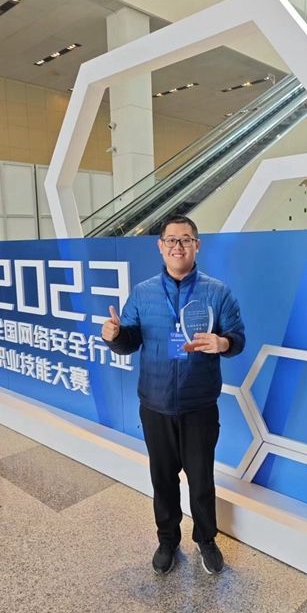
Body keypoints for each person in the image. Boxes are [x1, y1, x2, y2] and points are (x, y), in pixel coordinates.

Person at [102, 215, 245, 576]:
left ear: (197, 245)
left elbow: (238, 338)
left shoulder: (218, 292)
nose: (177, 246)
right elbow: (129, 341)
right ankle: (167, 540)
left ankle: (206, 539)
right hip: (155, 404)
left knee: (201, 478)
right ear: (160, 246)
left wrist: (223, 343)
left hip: (199, 405)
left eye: (185, 240)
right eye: (171, 240)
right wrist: (114, 336)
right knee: (162, 478)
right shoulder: (143, 292)